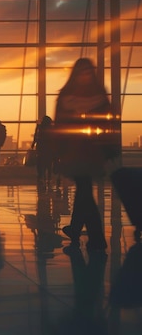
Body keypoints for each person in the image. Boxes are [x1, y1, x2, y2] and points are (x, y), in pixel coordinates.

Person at [54, 58, 116, 252]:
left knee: (84, 190)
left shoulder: (70, 96)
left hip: (87, 150)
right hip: (78, 150)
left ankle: (81, 231)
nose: (85, 76)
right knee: (84, 189)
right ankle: (90, 235)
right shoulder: (96, 96)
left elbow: (108, 123)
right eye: (83, 72)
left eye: (88, 72)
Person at [31, 115, 56, 191]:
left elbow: (36, 136)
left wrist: (33, 144)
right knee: (48, 164)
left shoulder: (39, 127)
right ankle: (49, 179)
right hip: (49, 149)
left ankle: (41, 178)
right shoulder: (51, 128)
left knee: (41, 164)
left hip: (41, 148)